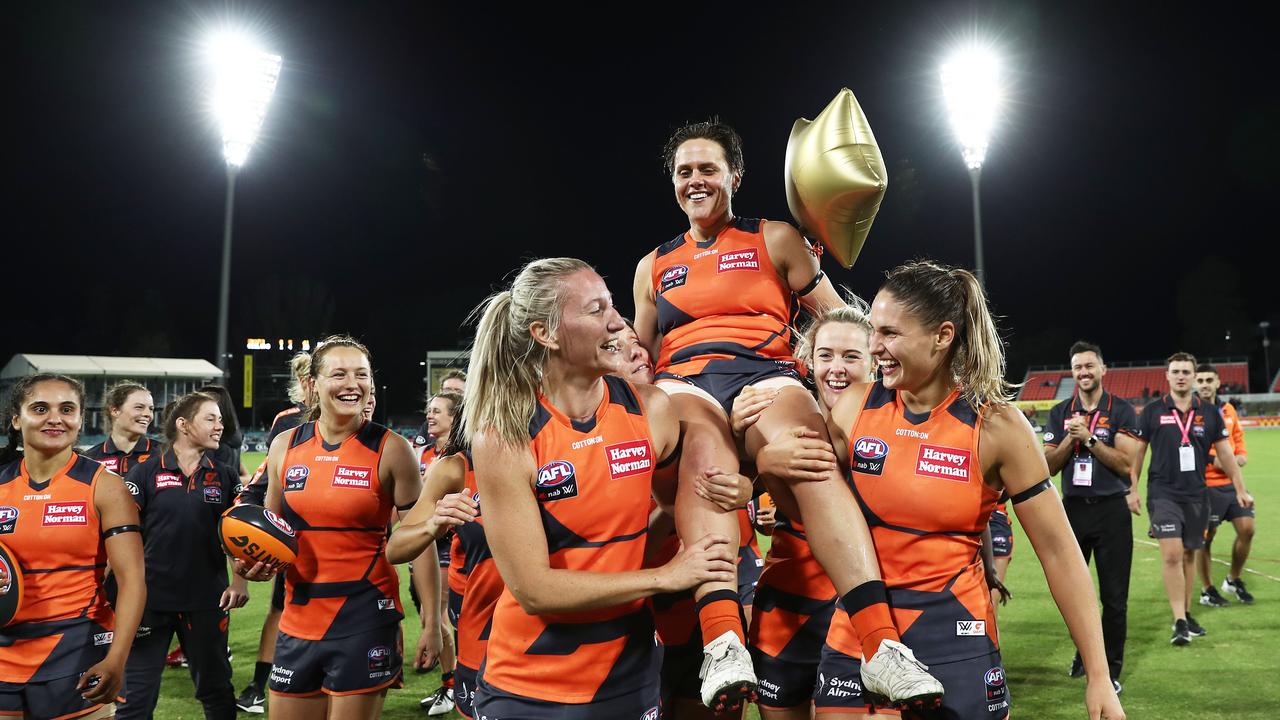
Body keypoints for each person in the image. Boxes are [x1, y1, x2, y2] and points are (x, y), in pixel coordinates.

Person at [633, 120, 940, 710]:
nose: (696, 180)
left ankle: (881, 645)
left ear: (734, 177)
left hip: (766, 372)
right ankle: (723, 639)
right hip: (686, 383)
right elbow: (642, 361)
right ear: (673, 182)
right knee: (703, 460)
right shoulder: (652, 266)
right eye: (685, 171)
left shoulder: (774, 238)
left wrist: (884, 370)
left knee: (809, 455)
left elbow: (841, 321)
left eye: (708, 169)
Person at [797, 260, 1125, 719]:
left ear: (943, 336)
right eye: (873, 330)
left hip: (954, 644)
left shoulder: (997, 427)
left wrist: (1098, 675)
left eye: (890, 333)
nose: (875, 347)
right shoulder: (854, 408)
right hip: (858, 639)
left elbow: (1059, 553)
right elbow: (806, 492)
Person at [465, 257, 739, 718]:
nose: (617, 322)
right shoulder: (504, 435)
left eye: (612, 306)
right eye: (596, 311)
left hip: (628, 674)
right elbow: (534, 589)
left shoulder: (652, 410)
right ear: (546, 335)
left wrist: (738, 491)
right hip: (531, 682)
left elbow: (683, 503)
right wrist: (665, 576)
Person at [239, 335, 423, 719]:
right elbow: (273, 530)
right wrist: (251, 562)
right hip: (298, 617)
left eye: (361, 374)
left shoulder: (393, 449)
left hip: (364, 617)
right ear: (312, 384)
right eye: (338, 374)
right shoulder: (284, 446)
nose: (351, 384)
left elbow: (414, 539)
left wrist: (433, 621)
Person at [733, 301, 877, 720]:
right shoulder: (775, 411)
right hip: (787, 608)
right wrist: (748, 448)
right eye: (825, 355)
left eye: (852, 356)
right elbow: (735, 483)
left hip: (856, 609)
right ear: (807, 361)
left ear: (874, 361)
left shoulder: (889, 424)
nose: (837, 368)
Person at [0, 374, 146, 720]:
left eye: (67, 409)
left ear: (80, 419)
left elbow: (132, 580)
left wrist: (118, 657)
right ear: (17, 418)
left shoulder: (106, 487)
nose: (55, 418)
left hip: (73, 652)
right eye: (40, 408)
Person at [116, 392, 247, 719]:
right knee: (136, 698)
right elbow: (121, 538)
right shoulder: (144, 474)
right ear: (183, 425)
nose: (221, 426)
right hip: (150, 603)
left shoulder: (226, 475)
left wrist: (240, 581)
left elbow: (239, 536)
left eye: (220, 419)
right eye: (211, 419)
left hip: (207, 601)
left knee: (217, 691)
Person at [1131, 352, 1249, 645]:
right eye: (1176, 371)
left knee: (1189, 554)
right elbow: (1137, 454)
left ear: (1194, 377)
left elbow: (1226, 455)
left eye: (1186, 371)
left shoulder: (1209, 413)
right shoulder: (1152, 411)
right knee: (1171, 554)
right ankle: (1180, 621)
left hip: (1197, 495)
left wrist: (1240, 489)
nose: (1181, 376)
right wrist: (1131, 488)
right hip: (1163, 494)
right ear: (1167, 376)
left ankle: (1185, 613)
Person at [1042, 341, 1140, 693]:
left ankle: (1110, 670)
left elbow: (1126, 465)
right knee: (1073, 595)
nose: (1084, 372)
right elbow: (1048, 467)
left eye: (1089, 366)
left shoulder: (1123, 410)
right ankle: (1084, 656)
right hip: (1073, 512)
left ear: (1103, 370)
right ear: (1072, 373)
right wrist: (1072, 440)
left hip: (1112, 511)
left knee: (1114, 598)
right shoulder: (1059, 411)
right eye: (1078, 367)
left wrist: (1092, 440)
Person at [236, 351, 312, 714]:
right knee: (281, 607)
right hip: (294, 534)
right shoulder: (289, 422)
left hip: (341, 545)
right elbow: (270, 477)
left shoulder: (362, 421)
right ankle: (259, 683)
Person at [409, 390, 464, 715]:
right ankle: (448, 682)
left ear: (454, 418)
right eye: (428, 411)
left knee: (439, 617)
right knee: (428, 614)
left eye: (438, 412)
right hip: (423, 546)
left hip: (450, 547)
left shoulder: (459, 459)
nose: (430, 416)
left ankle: (451, 684)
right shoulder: (425, 454)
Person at [1193, 363, 1255, 606]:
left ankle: (1233, 579)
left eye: (1210, 380)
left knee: (1247, 529)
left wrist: (1241, 454)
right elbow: (1185, 445)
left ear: (1218, 382)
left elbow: (1237, 438)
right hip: (1205, 484)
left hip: (1231, 483)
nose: (1206, 384)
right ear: (1196, 384)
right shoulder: (1190, 411)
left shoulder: (1228, 409)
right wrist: (1212, 460)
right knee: (1205, 538)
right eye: (1202, 380)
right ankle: (1207, 589)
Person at [81, 380, 161, 477]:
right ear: (115, 411)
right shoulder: (89, 459)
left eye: (151, 409)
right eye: (139, 407)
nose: (148, 414)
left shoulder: (165, 454)